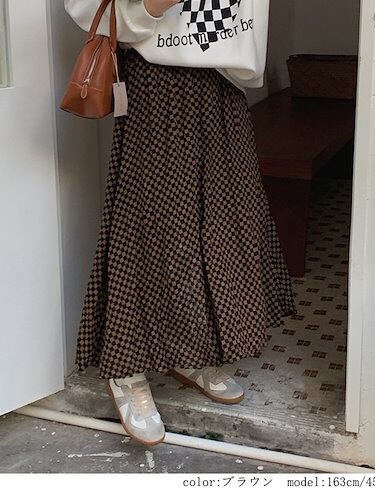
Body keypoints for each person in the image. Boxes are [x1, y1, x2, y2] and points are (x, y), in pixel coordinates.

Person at [65, 0, 296, 446]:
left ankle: (190, 350)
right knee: (148, 230)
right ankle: (127, 366)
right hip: (159, 86)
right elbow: (95, 10)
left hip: (222, 84)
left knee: (222, 228)